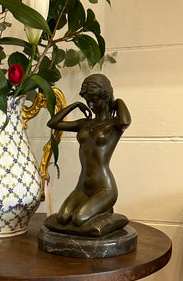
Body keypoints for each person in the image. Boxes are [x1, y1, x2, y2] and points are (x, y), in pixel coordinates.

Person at [46, 74, 131, 235]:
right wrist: (75, 105)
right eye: (87, 100)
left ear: (105, 96)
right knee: (63, 217)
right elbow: (53, 123)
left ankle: (107, 213)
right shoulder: (84, 124)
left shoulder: (114, 125)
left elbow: (125, 121)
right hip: (82, 187)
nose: (90, 105)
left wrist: (117, 100)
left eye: (94, 100)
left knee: (79, 219)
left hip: (104, 188)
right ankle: (101, 211)